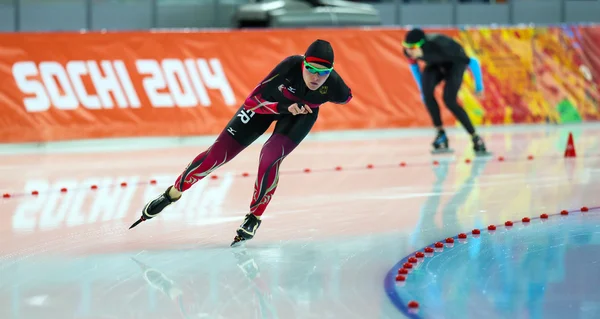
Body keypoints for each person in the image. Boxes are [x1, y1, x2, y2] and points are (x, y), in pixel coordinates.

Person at [129, 39, 353, 246]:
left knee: (270, 156)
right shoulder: (290, 67)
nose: (315, 78)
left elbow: (347, 97)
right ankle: (172, 193)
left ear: (330, 73)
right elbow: (252, 101)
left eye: (322, 73)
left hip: (301, 115)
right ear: (303, 64)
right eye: (311, 70)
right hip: (266, 107)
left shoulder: (334, 86)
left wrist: (306, 107)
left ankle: (254, 217)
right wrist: (283, 107)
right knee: (216, 156)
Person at [403, 28, 489, 155]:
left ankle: (475, 137)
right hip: (435, 64)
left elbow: (473, 62)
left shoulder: (442, 45)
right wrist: (423, 91)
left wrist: (479, 87)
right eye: (406, 47)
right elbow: (414, 67)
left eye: (413, 48)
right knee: (427, 93)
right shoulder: (409, 51)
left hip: (454, 64)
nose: (409, 51)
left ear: (422, 45)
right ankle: (440, 134)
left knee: (449, 100)